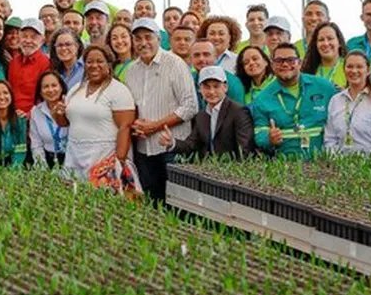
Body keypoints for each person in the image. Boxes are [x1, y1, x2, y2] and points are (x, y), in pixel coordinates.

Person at [125, 18, 198, 204]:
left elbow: (190, 106)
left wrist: (154, 127)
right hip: (143, 149)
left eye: (148, 37)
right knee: (151, 204)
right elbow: (132, 107)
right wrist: (135, 125)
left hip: (171, 148)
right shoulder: (131, 70)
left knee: (178, 205)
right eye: (138, 38)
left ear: (158, 38)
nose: (143, 43)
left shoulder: (175, 63)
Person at [53, 44, 135, 180]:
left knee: (102, 200)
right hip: (74, 155)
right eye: (89, 62)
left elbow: (125, 127)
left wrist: (118, 162)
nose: (94, 65)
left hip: (104, 158)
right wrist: (58, 113)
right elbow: (65, 123)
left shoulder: (119, 90)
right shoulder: (75, 89)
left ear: (109, 64)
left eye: (99, 61)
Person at [250, 43, 338, 159]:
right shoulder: (262, 99)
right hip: (285, 166)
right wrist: (269, 138)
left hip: (323, 163)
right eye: (279, 61)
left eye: (291, 60)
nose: (285, 64)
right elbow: (259, 134)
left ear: (300, 63)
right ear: (272, 65)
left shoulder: (324, 87)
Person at [163, 66, 254, 159]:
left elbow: (244, 149)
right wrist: (172, 142)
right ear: (200, 89)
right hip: (207, 169)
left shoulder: (239, 111)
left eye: (216, 86)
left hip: (232, 170)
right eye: (207, 87)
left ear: (225, 87)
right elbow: (191, 145)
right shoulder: (201, 115)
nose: (211, 91)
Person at [324, 50, 371, 154]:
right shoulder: (336, 101)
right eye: (349, 66)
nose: (354, 71)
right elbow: (330, 139)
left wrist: (366, 166)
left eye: (359, 67)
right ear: (344, 70)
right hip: (339, 166)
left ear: (368, 70)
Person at [8, 18, 51, 115]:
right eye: (24, 36)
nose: (28, 41)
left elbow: (46, 97)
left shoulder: (46, 63)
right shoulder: (13, 62)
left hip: (35, 118)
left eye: (33, 37)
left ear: (42, 40)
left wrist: (30, 114)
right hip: (12, 116)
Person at [29, 71, 70, 168]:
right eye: (46, 87)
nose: (50, 90)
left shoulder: (70, 107)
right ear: (40, 91)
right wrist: (42, 170)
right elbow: (36, 145)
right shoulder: (36, 112)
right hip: (47, 161)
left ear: (61, 88)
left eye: (54, 85)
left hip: (71, 161)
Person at [189, 39, 245, 104]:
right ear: (191, 59)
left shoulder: (232, 82)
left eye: (206, 54)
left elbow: (238, 111)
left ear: (215, 57)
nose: (201, 59)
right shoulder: (189, 79)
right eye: (197, 55)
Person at [300, 22, 347, 88]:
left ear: (339, 42)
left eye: (330, 38)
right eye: (321, 40)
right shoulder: (308, 70)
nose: (326, 43)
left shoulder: (349, 67)